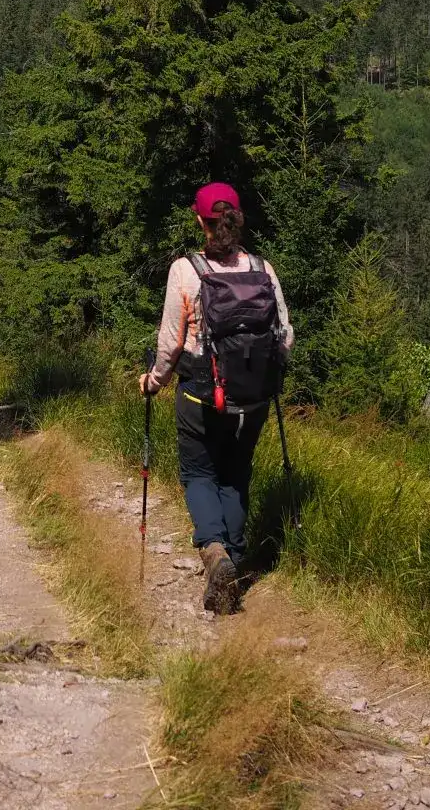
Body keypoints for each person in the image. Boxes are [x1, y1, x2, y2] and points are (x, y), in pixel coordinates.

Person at [139, 182, 293, 615]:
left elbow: (171, 343)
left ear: (200, 221)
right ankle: (236, 560)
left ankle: (216, 554)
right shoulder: (262, 268)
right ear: (237, 217)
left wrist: (153, 381)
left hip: (202, 396)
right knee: (236, 474)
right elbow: (285, 335)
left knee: (199, 474)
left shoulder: (186, 270)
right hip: (255, 398)